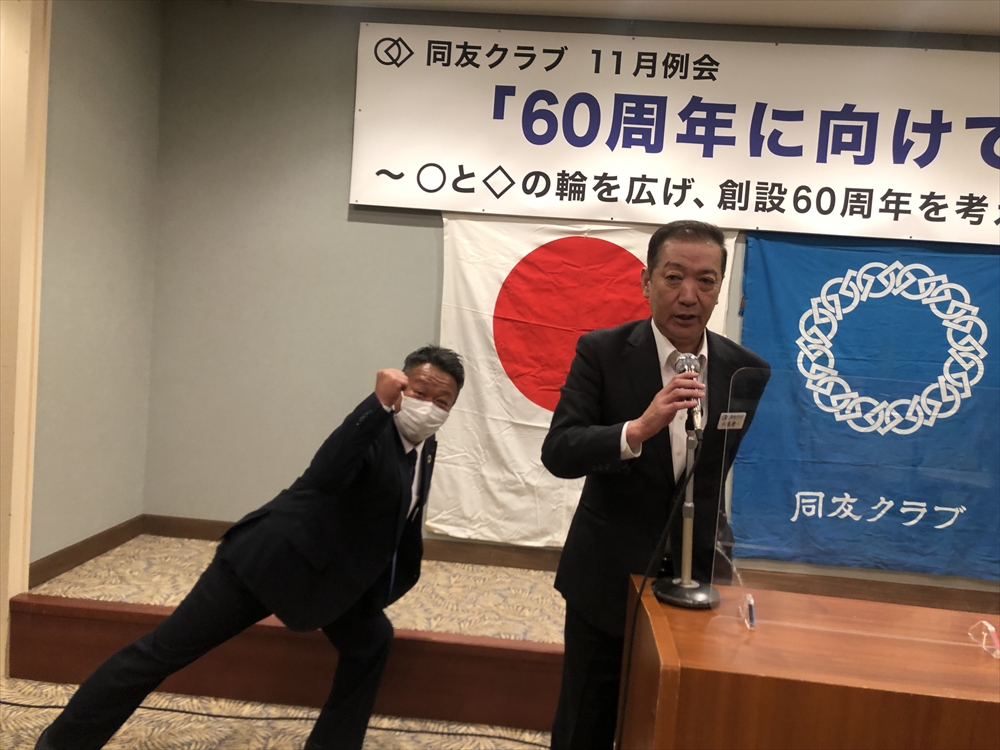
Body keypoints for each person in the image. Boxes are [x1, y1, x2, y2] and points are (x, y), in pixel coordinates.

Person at [35, 345, 465, 750]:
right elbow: (326, 474)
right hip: (266, 565)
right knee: (160, 654)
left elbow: (397, 523)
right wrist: (375, 404)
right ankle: (60, 744)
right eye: (420, 393)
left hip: (326, 573)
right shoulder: (370, 431)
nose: (429, 407)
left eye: (442, 401)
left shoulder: (425, 447)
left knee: (372, 641)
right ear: (400, 388)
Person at [541, 221, 770, 750]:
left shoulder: (746, 372)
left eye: (706, 281)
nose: (689, 295)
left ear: (720, 287)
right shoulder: (601, 352)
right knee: (586, 722)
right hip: (608, 571)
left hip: (698, 574)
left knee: (670, 722)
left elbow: (713, 471)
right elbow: (560, 451)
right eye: (673, 277)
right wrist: (636, 431)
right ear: (646, 282)